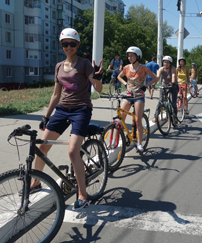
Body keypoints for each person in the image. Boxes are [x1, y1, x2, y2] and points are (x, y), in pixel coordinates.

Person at [32, 28, 104, 210]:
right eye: (65, 44)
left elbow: (99, 88)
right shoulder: (58, 66)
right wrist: (46, 116)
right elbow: (56, 94)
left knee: (72, 152)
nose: (69, 47)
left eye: (72, 43)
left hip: (81, 110)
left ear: (77, 45)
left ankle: (82, 194)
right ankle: (35, 182)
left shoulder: (85, 64)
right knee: (41, 147)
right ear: (62, 45)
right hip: (62, 110)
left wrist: (98, 77)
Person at [117, 46, 158, 153]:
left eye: (132, 56)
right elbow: (119, 77)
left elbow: (155, 78)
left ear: (138, 56)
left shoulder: (144, 68)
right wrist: (125, 84)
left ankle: (139, 144)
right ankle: (116, 141)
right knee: (121, 119)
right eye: (128, 56)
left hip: (139, 96)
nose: (129, 58)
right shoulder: (126, 68)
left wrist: (146, 86)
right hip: (128, 95)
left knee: (138, 120)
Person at [153, 56, 178, 124]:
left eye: (167, 62)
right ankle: (155, 116)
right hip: (164, 85)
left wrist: (172, 83)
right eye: (164, 62)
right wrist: (153, 84)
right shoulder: (161, 69)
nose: (166, 63)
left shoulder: (173, 68)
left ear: (170, 63)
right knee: (161, 101)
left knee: (173, 102)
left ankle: (175, 117)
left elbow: (173, 76)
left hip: (173, 85)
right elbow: (157, 77)